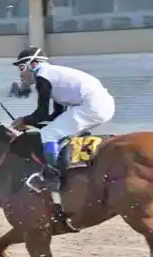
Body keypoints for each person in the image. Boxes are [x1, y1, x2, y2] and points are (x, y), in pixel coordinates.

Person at [9, 47, 115, 232]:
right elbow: (55, 115)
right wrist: (34, 124)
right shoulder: (53, 76)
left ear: (33, 64)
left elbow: (41, 112)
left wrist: (24, 120)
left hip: (92, 105)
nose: (21, 73)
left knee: (50, 135)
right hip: (100, 104)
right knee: (53, 131)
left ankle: (52, 177)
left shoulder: (43, 77)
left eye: (21, 67)